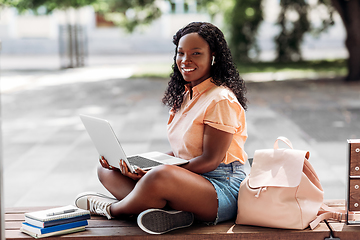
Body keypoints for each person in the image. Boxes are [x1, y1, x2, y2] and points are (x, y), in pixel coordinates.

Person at [75, 22, 248, 235]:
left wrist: (154, 173)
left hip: (220, 188)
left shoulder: (220, 99)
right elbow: (181, 153)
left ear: (213, 56)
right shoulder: (186, 95)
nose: (186, 60)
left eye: (196, 53)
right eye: (181, 53)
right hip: (188, 178)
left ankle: (113, 209)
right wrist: (138, 165)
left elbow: (210, 160)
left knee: (159, 177)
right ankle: (173, 213)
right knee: (109, 168)